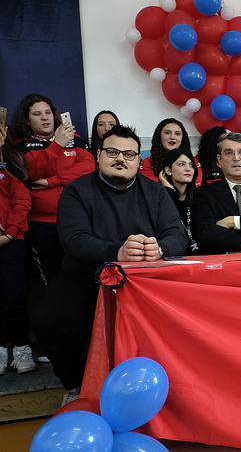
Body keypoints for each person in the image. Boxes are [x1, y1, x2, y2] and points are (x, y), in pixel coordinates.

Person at [34, 125, 187, 402]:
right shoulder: (76, 192)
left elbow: (177, 236)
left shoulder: (155, 192)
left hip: (146, 283)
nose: (121, 159)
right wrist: (117, 251)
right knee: (51, 318)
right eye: (113, 152)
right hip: (87, 276)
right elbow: (74, 240)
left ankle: (171, 388)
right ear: (98, 155)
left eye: (129, 154)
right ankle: (76, 387)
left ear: (139, 160)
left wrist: (159, 248)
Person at [11, 93, 94, 285]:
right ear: (26, 120)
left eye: (48, 112)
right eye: (37, 114)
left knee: (81, 278)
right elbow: (30, 171)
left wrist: (52, 181)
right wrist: (57, 145)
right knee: (52, 279)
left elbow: (88, 168)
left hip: (76, 220)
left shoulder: (76, 139)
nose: (45, 118)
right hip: (42, 224)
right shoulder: (21, 145)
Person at [0, 125, 36, 375]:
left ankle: (22, 348)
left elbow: (22, 200)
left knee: (14, 296)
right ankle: (1, 350)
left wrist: (10, 232)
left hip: (11, 240)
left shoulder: (12, 161)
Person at [141, 118, 203, 187]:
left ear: (182, 138)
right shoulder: (147, 163)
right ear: (159, 136)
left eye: (177, 134)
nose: (172, 137)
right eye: (167, 133)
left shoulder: (193, 161)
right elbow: (150, 188)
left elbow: (196, 185)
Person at [162, 149, 199, 254]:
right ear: (168, 170)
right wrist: (168, 191)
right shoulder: (160, 197)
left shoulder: (200, 197)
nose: (188, 169)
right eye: (182, 164)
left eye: (191, 165)